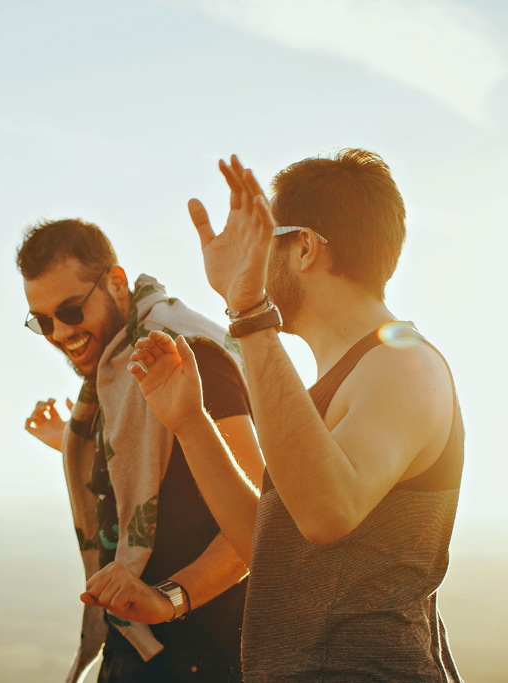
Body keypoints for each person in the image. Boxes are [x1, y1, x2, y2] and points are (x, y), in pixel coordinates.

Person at [89, 150, 464, 681]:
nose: (253, 260)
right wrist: (191, 423)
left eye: (265, 242)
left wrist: (247, 313)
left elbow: (326, 513)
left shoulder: (404, 364)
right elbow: (273, 552)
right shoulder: (335, 383)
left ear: (305, 247)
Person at [18, 219, 263, 683]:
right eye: (42, 321)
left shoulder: (188, 355)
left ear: (115, 282)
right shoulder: (115, 372)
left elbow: (257, 518)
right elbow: (158, 473)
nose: (57, 333)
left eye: (69, 311)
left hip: (200, 655)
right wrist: (71, 443)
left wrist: (170, 599)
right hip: (135, 646)